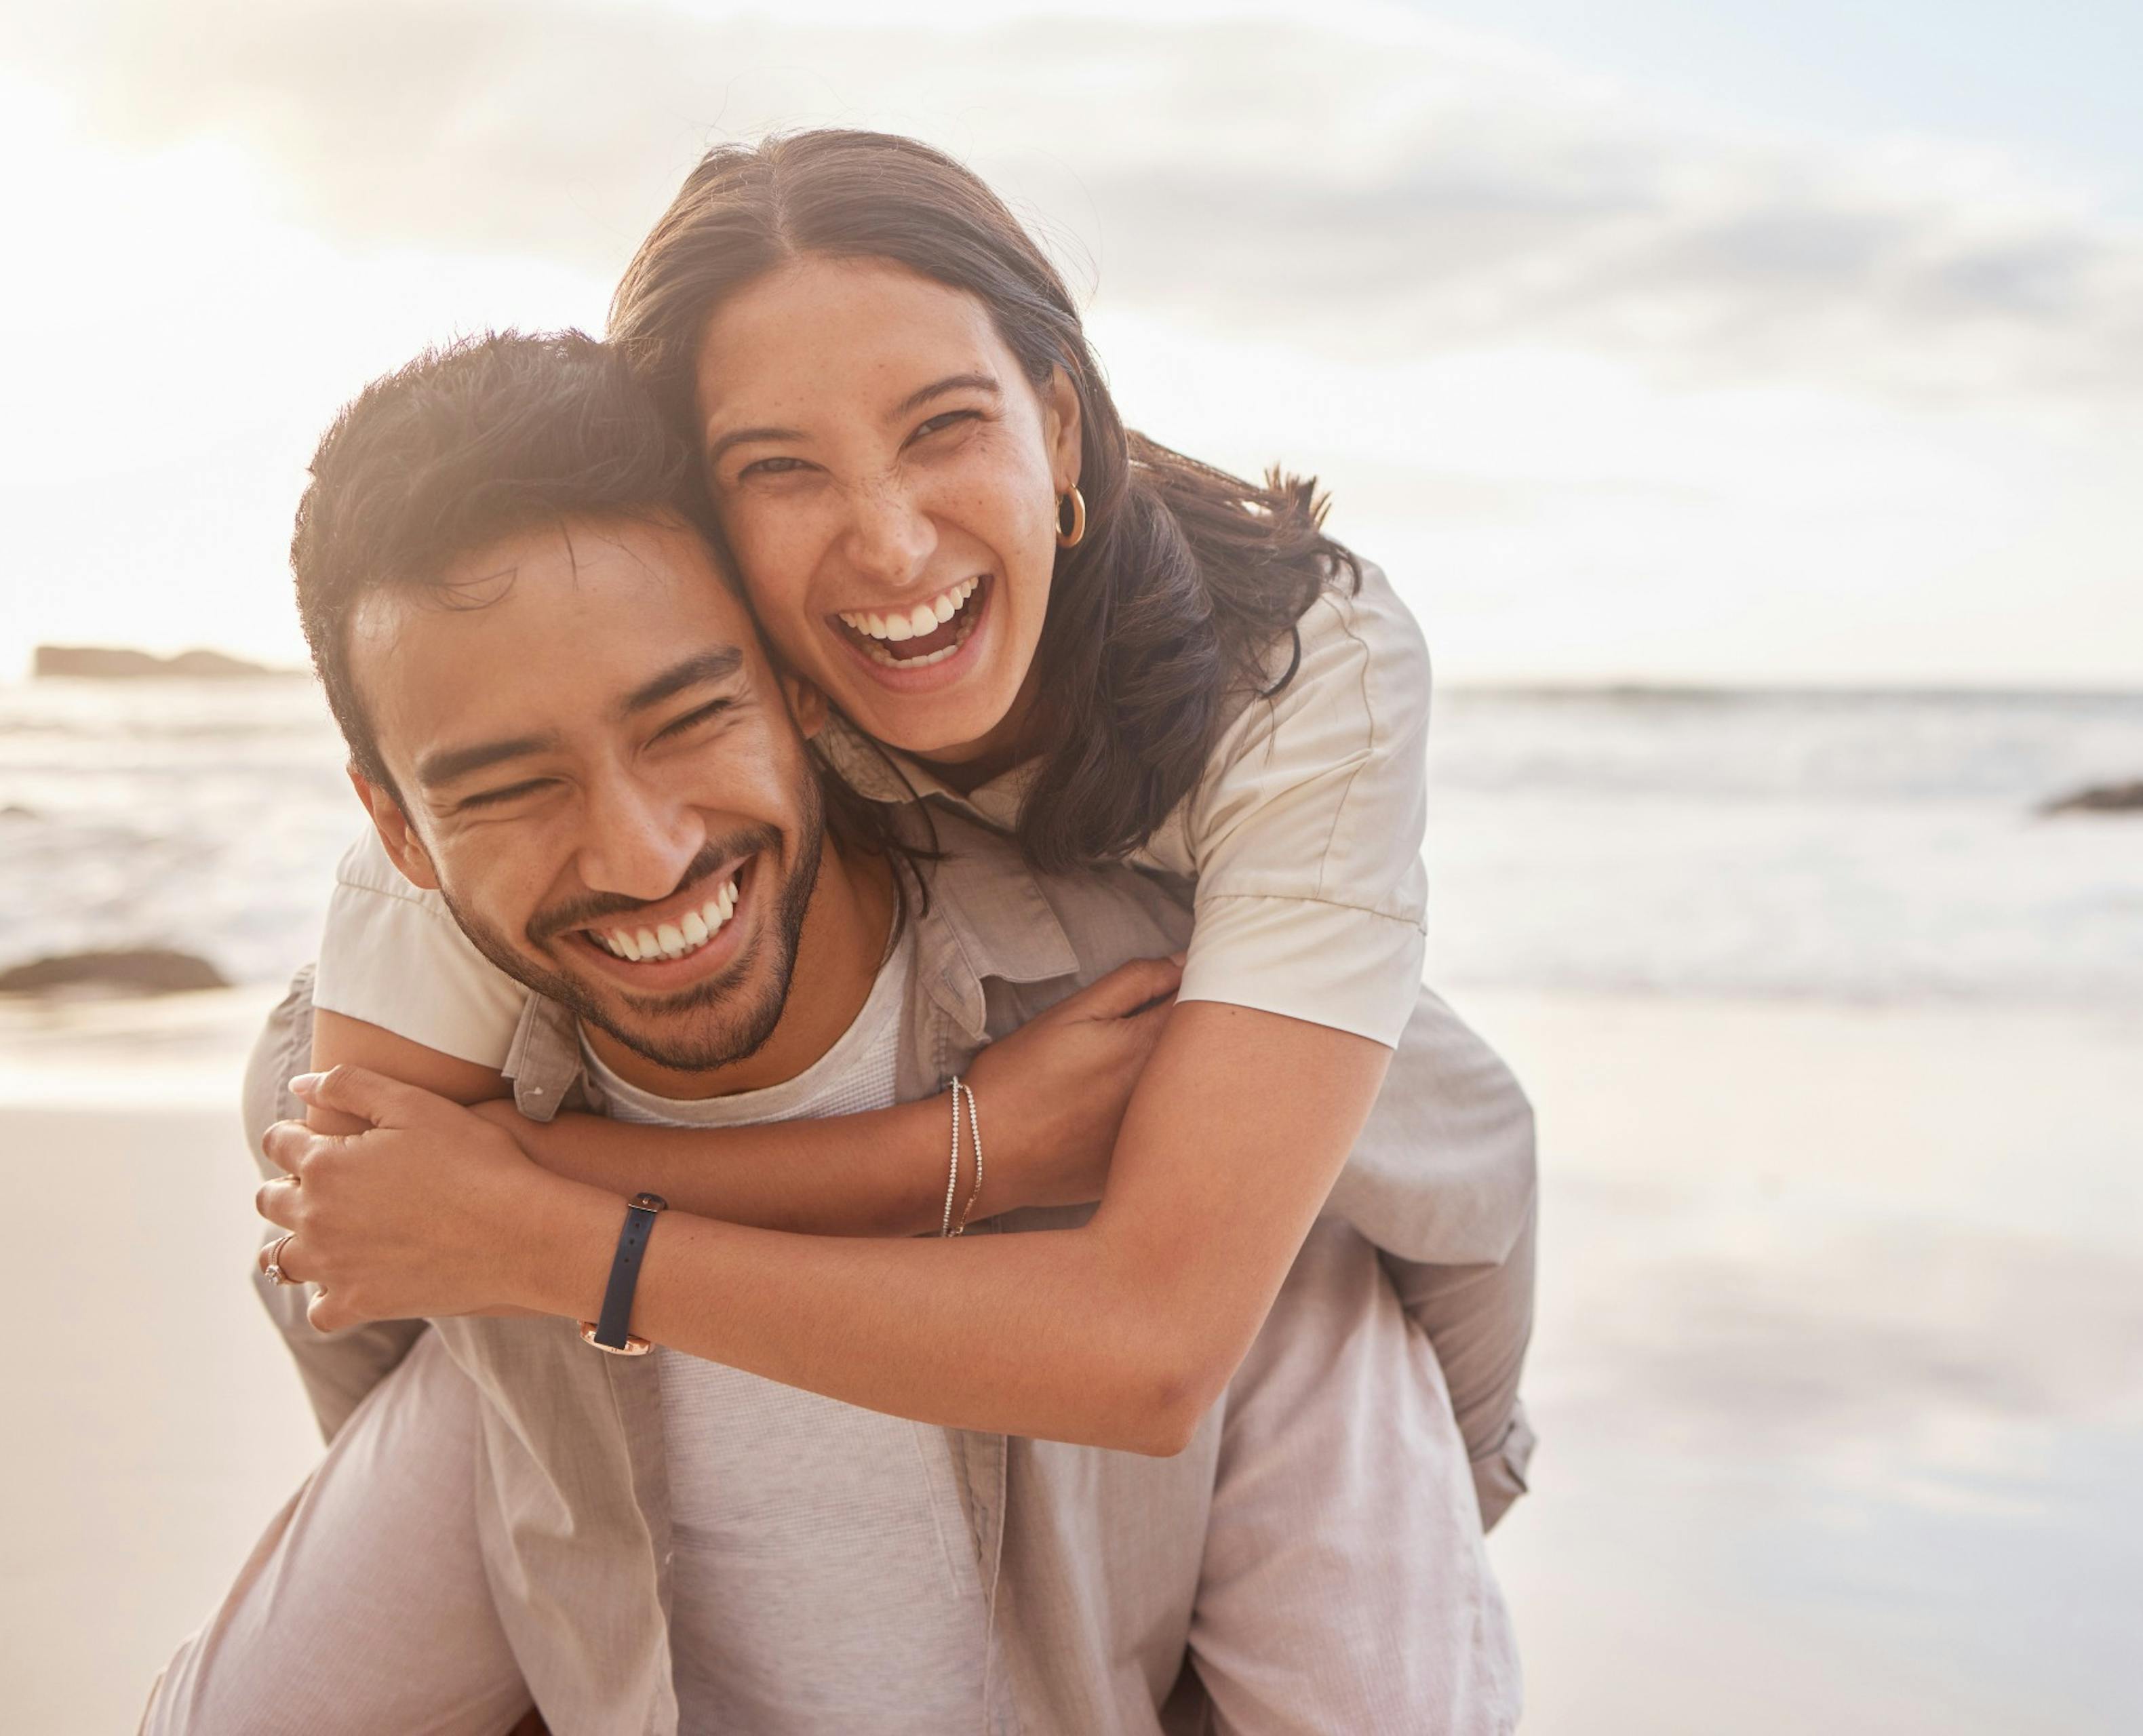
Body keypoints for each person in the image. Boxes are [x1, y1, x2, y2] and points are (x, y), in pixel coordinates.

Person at [147, 331, 1517, 1733]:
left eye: (688, 716)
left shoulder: (1166, 1051)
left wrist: (944, 1155)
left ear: (805, 683)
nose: (638, 852)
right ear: (398, 828)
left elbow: (1469, 1186)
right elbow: (349, 1266)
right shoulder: (438, 1156)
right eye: (507, 787)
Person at [265, 129, 1538, 1510]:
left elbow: (1152, 1343)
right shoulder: (622, 708)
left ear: (1057, 427)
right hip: (949, 1069)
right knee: (290, 1074)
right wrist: (945, 1151)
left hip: (1268, 1077)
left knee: (1417, 1129)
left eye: (944, 428)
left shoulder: (1302, 664)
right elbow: (376, 1183)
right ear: (694, 510)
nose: (889, 544)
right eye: (779, 468)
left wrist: (567, 1239)